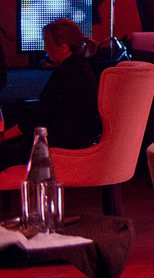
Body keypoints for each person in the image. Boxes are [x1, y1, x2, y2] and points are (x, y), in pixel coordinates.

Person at [0, 19, 102, 168]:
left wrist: (4, 136)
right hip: (78, 139)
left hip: (63, 145)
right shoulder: (83, 67)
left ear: (63, 48)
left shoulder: (66, 74)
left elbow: (40, 117)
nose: (45, 50)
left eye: (48, 44)